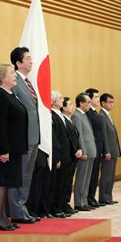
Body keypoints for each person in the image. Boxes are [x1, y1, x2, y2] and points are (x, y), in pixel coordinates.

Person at [0, 64, 28, 231]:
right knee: (2, 182)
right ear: (1, 77)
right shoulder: (0, 95)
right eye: (12, 73)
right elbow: (1, 125)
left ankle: (2, 217)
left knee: (7, 183)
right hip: (7, 149)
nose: (15, 75)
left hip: (15, 148)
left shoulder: (10, 94)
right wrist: (3, 150)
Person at [9, 47, 40, 224]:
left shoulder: (28, 82)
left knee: (27, 175)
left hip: (33, 137)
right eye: (27, 58)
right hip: (22, 138)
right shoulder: (14, 83)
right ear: (18, 63)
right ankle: (16, 211)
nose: (31, 61)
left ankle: (23, 208)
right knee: (19, 174)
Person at [71, 93, 97, 211]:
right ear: (81, 103)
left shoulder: (84, 115)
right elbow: (79, 135)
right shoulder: (76, 115)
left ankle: (84, 200)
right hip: (85, 151)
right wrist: (84, 151)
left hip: (91, 150)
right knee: (81, 178)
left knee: (87, 178)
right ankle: (79, 202)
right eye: (88, 102)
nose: (89, 105)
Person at [49, 90, 71, 218]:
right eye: (60, 98)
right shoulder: (52, 115)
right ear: (53, 101)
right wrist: (57, 156)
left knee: (63, 183)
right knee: (57, 184)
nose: (62, 100)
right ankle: (55, 207)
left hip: (66, 154)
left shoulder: (61, 115)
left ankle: (61, 205)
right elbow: (55, 138)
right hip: (59, 155)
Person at [98, 93, 121, 204]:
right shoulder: (101, 115)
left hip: (113, 150)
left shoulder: (108, 115)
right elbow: (104, 136)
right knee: (106, 175)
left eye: (113, 102)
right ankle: (104, 197)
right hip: (108, 151)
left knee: (111, 176)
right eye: (109, 102)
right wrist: (106, 151)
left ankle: (108, 196)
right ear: (103, 103)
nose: (112, 104)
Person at [62, 97, 82, 215]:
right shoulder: (63, 120)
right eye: (69, 105)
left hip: (73, 155)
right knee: (65, 181)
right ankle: (63, 203)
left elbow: (75, 137)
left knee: (69, 181)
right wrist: (75, 149)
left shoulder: (69, 120)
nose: (72, 107)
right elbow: (67, 140)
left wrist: (79, 149)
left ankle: (67, 202)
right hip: (68, 155)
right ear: (64, 108)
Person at [85, 88, 104, 209]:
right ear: (89, 99)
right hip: (92, 148)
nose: (98, 99)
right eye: (96, 97)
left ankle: (92, 197)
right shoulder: (87, 113)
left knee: (95, 174)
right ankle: (88, 198)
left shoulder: (95, 112)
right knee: (90, 175)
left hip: (98, 148)